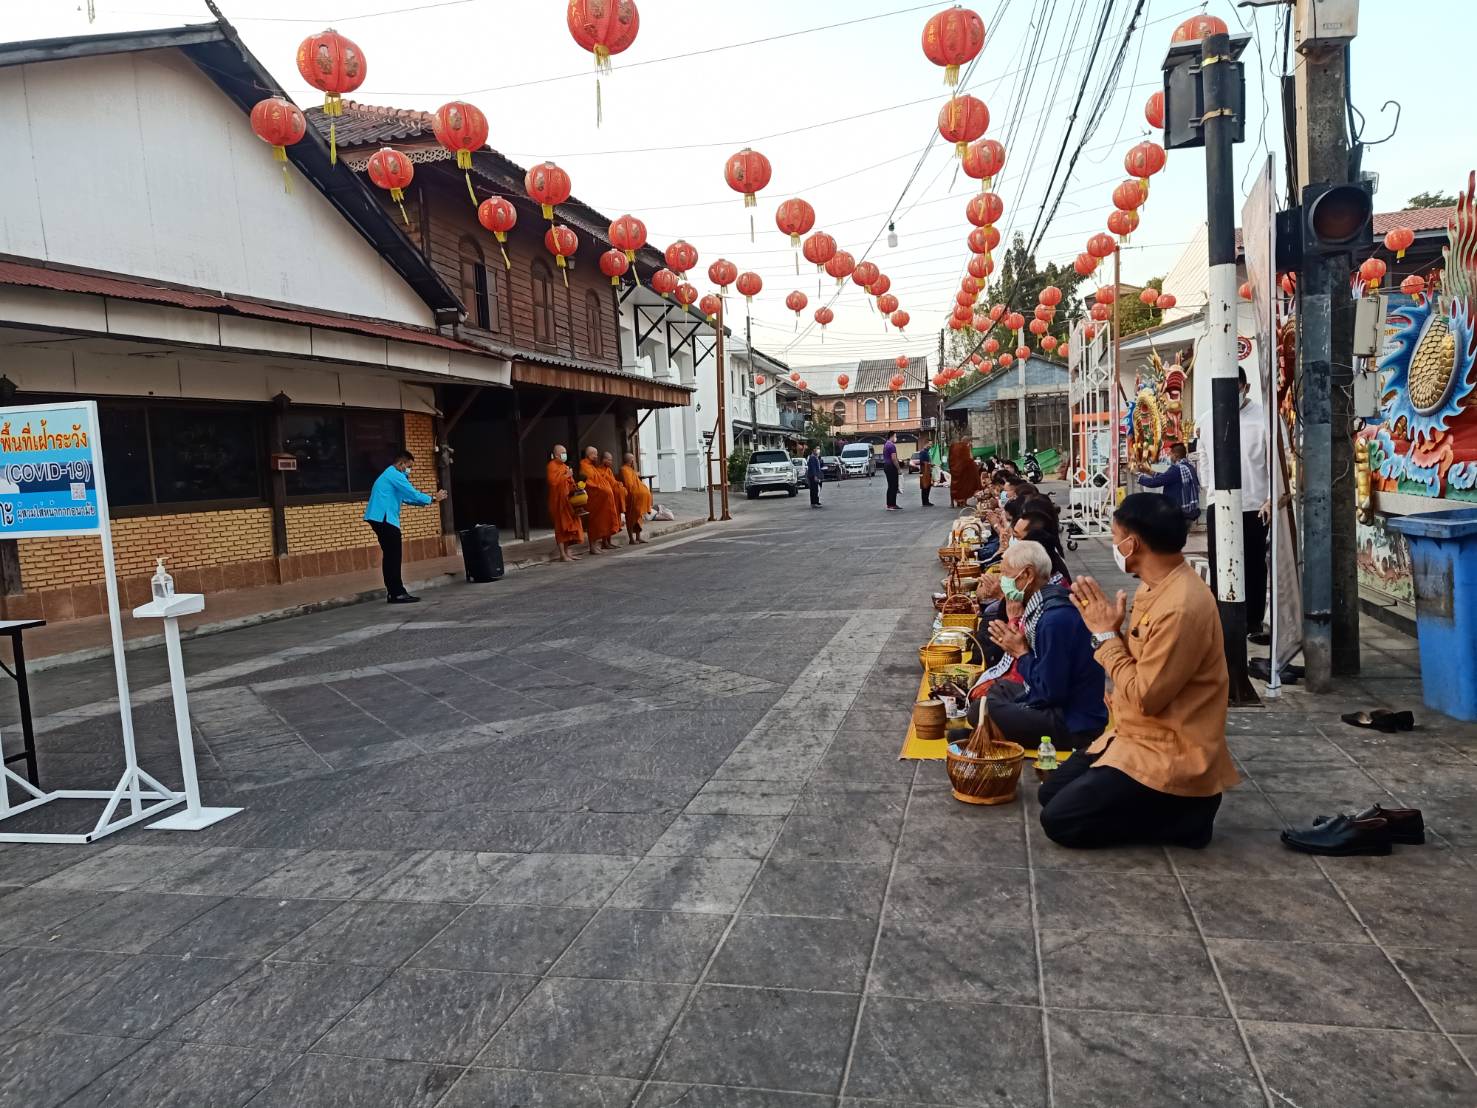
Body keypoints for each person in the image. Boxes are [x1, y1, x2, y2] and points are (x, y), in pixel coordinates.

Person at [1045, 493, 1238, 849]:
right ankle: (1155, 803)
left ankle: (1186, 812)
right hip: (1133, 734)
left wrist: (1105, 637)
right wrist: (1113, 633)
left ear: (1132, 543)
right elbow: (1142, 666)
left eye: (1116, 536)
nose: (1115, 544)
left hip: (1168, 749)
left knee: (1060, 821)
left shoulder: (1180, 606)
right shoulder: (1157, 586)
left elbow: (1146, 696)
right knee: (1050, 794)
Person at [976, 540, 1107, 751]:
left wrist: (1020, 652)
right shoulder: (1045, 603)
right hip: (1054, 698)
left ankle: (992, 730)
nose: (1003, 581)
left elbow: (1050, 693)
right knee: (999, 689)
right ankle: (994, 729)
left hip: (1072, 721)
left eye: (1007, 574)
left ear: (1027, 575)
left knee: (982, 710)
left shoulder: (1054, 619)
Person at [1196, 366, 1270, 635]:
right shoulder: (1207, 420)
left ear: (1245, 388)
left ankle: (1252, 621)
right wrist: (1208, 489)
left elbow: (1279, 462)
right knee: (1220, 563)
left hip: (1255, 505)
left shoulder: (1265, 419)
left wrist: (1272, 499)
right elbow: (1202, 455)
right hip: (1220, 504)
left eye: (1235, 389)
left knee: (1252, 564)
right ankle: (1224, 621)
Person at [364, 450, 446, 603]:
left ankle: (394, 592)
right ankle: (396, 593)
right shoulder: (395, 475)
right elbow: (413, 494)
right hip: (384, 519)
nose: (410, 470)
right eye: (409, 466)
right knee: (393, 557)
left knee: (391, 556)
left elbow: (407, 499)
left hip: (380, 519)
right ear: (401, 464)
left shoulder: (390, 476)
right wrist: (434, 497)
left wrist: (431, 500)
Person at [1135, 443, 1201, 523]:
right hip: (1190, 510)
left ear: (1176, 456)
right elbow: (1166, 477)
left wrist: (1139, 476)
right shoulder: (1189, 467)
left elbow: (1155, 482)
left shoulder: (1176, 469)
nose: (1170, 457)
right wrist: (1148, 471)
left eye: (1171, 455)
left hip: (1177, 511)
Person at [546, 445, 584, 563]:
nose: (564, 455)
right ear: (556, 454)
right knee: (561, 528)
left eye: (565, 453)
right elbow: (553, 483)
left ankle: (567, 552)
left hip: (568, 501)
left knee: (569, 527)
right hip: (558, 502)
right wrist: (566, 476)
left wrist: (576, 486)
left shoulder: (565, 466)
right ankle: (562, 554)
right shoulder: (551, 466)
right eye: (562, 453)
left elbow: (570, 482)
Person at [579, 446, 620, 553]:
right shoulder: (584, 466)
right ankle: (592, 547)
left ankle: (597, 545)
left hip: (600, 499)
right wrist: (603, 490)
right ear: (589, 455)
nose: (596, 456)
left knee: (600, 522)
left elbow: (601, 481)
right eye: (595, 454)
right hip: (593, 498)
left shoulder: (591, 466)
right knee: (593, 522)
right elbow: (589, 483)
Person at [619, 453, 652, 544]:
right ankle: (631, 539)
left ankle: (638, 537)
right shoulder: (624, 470)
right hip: (631, 498)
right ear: (631, 460)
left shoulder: (630, 470)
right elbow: (629, 485)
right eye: (633, 459)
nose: (634, 461)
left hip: (637, 498)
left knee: (638, 517)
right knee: (630, 518)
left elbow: (635, 481)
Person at [601, 451, 629, 537]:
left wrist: (618, 484)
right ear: (604, 460)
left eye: (611, 460)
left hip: (614, 499)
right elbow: (603, 484)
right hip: (606, 500)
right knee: (606, 521)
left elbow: (613, 482)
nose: (611, 462)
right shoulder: (599, 471)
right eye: (609, 460)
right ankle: (605, 542)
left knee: (612, 521)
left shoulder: (609, 470)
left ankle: (609, 542)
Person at [948, 438, 981, 505]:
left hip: (955, 470)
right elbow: (970, 459)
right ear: (968, 441)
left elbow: (950, 458)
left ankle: (953, 503)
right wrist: (970, 448)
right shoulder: (965, 447)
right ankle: (963, 502)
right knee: (965, 486)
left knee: (954, 486)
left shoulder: (954, 447)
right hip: (964, 470)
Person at [882, 432, 901, 511]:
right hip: (891, 467)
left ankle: (890, 504)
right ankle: (892, 504)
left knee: (890, 486)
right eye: (895, 436)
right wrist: (898, 468)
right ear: (892, 436)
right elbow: (893, 458)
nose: (896, 438)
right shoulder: (892, 446)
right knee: (894, 486)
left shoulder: (886, 445)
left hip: (886, 465)